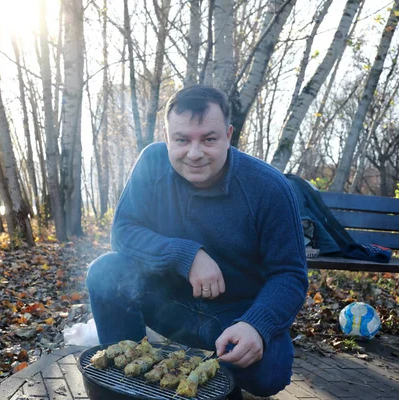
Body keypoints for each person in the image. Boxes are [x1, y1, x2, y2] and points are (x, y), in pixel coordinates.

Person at [85, 85, 308, 397]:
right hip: (168, 301)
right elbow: (123, 231)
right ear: (167, 138)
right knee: (106, 271)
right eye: (181, 140)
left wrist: (256, 326)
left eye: (209, 139)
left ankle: (225, 366)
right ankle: (129, 376)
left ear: (229, 135)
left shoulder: (269, 188)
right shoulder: (152, 163)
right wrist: (185, 256)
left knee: (269, 373)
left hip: (235, 316)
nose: (194, 153)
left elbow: (290, 275)